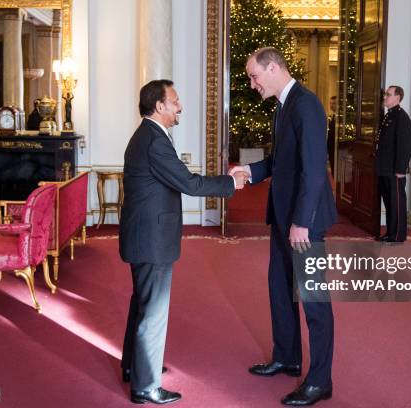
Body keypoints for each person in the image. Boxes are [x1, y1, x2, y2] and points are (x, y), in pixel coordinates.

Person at [119, 79, 248, 405]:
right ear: (159, 106)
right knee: (154, 311)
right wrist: (230, 182)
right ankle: (145, 387)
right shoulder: (154, 141)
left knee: (143, 304)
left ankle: (134, 368)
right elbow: (189, 183)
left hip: (143, 235)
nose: (180, 107)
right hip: (151, 239)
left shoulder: (148, 136)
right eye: (175, 101)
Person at [230, 47, 337, 406]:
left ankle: (320, 380)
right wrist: (251, 171)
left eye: (253, 75)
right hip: (282, 216)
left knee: (313, 301)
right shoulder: (283, 106)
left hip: (303, 222)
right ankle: (287, 357)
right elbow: (282, 161)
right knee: (280, 289)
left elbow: (313, 169)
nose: (251, 82)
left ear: (273, 68)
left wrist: (302, 223)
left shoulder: (306, 104)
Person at [374, 85, 411, 243]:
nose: (385, 97)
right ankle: (390, 232)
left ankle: (397, 236)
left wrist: (400, 169)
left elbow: (405, 145)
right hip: (385, 168)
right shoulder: (389, 116)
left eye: (388, 95)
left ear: (398, 97)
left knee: (396, 203)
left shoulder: (401, 117)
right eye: (385, 94)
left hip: (394, 170)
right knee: (389, 203)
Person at [327, 96, 337, 174]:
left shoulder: (339, 118)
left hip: (335, 146)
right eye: (330, 103)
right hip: (331, 146)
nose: (331, 105)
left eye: (333, 103)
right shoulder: (332, 116)